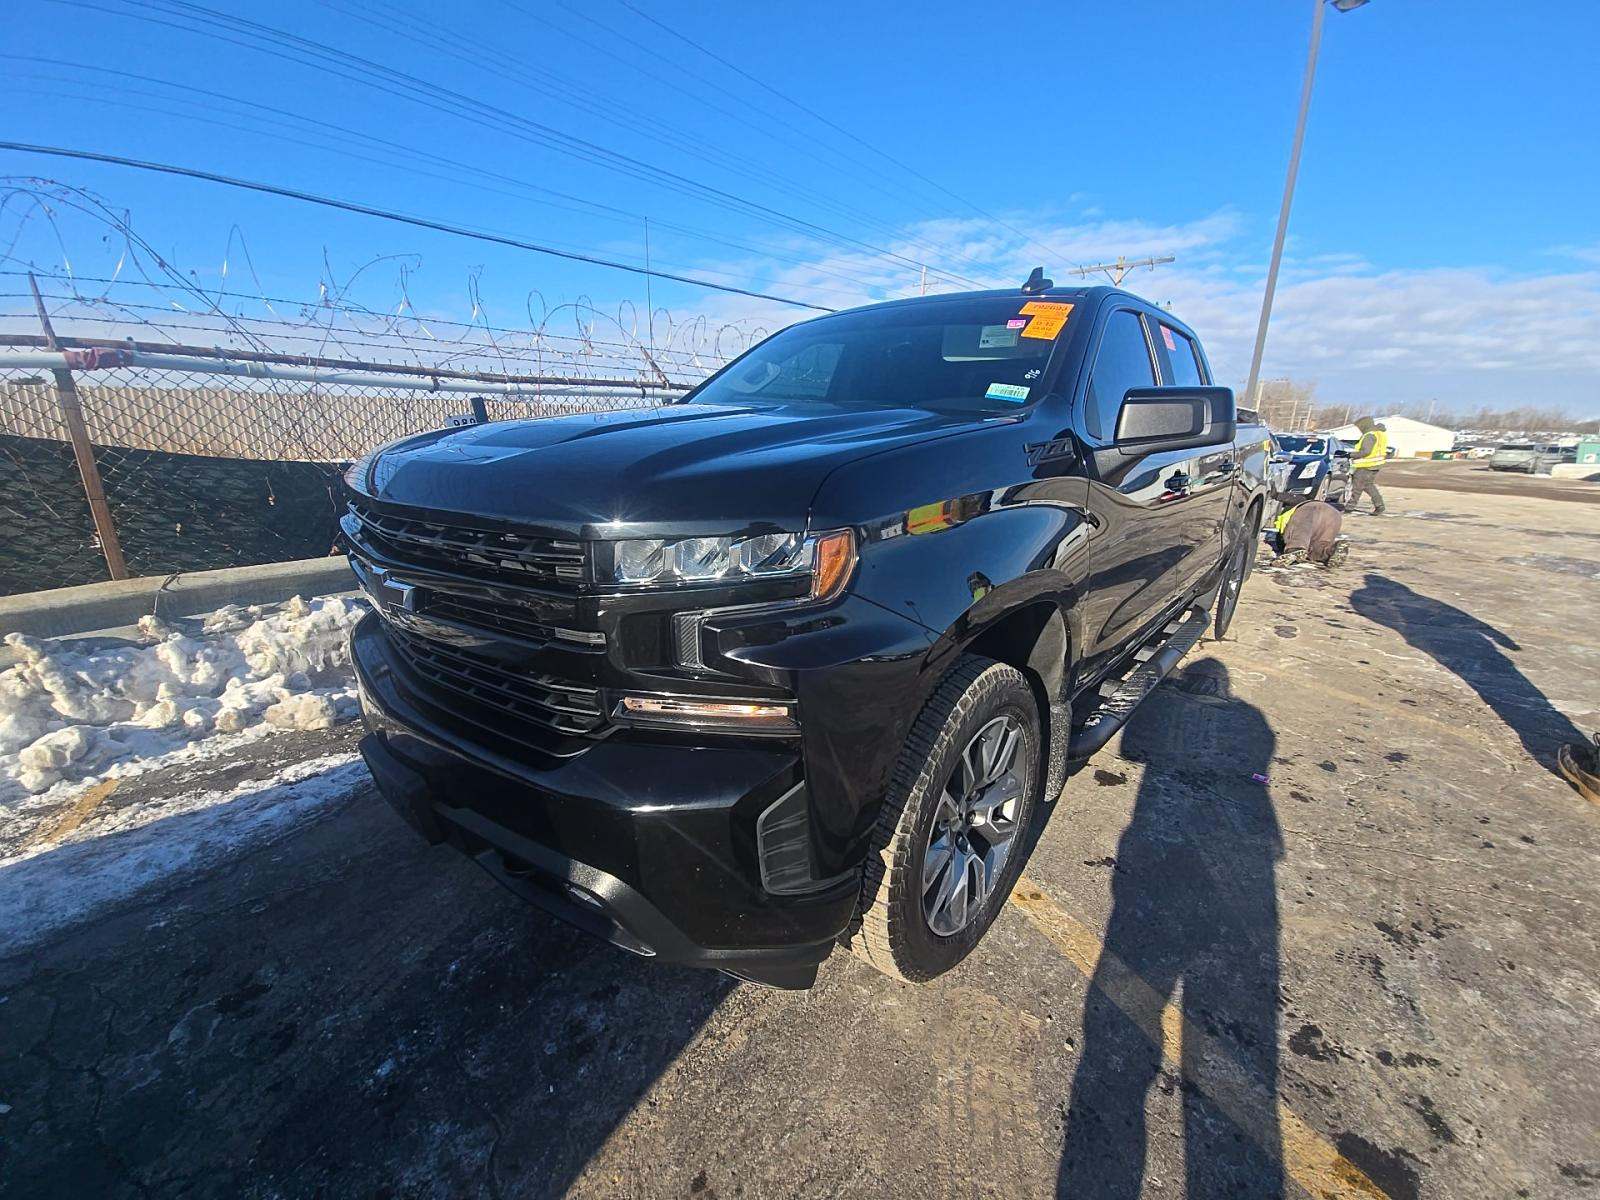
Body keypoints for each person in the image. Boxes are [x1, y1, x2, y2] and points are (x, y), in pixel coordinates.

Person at [1271, 497, 1348, 567]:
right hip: (1334, 515)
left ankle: (1295, 549)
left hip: (1310, 510)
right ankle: (1331, 550)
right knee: (1321, 545)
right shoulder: (1301, 502)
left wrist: (1284, 550)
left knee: (1299, 536)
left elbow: (1281, 540)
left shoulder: (1293, 511)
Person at [1344, 417, 1388, 514]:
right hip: (1375, 465)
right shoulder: (1379, 434)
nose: (1359, 429)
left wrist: (1350, 455)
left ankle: (1349, 507)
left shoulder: (1369, 435)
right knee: (1368, 486)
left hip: (1366, 465)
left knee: (1357, 487)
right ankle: (1379, 505)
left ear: (1364, 425)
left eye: (1360, 427)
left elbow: (1366, 451)